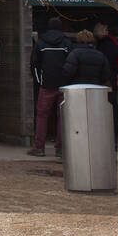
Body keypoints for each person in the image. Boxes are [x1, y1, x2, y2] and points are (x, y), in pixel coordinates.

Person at [29, 17, 73, 157]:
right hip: (63, 85)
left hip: (46, 84)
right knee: (62, 116)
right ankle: (60, 149)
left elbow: (34, 64)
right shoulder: (66, 42)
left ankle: (39, 147)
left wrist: (39, 81)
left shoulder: (41, 43)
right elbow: (71, 63)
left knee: (42, 115)